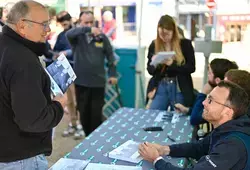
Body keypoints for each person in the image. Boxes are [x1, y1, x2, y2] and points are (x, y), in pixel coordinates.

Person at [0, 1, 67, 169]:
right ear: (22, 25)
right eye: (44, 24)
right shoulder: (23, 60)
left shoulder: (7, 47)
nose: (48, 30)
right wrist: (58, 106)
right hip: (21, 158)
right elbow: (33, 121)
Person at [139, 81, 250, 170]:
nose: (203, 103)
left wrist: (156, 160)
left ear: (228, 112)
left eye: (210, 100)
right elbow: (199, 147)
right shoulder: (227, 128)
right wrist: (165, 149)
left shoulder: (233, 145)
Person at [66, 11, 117, 136]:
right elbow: (68, 33)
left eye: (91, 22)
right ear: (80, 23)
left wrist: (112, 74)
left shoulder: (102, 37)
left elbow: (111, 57)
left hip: (98, 83)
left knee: (95, 116)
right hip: (81, 83)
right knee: (83, 114)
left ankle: (94, 141)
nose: (90, 25)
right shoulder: (77, 37)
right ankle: (88, 139)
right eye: (86, 22)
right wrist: (87, 29)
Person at [147, 14, 196, 111]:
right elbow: (150, 70)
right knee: (154, 113)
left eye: (167, 34)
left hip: (179, 86)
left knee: (179, 115)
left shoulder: (185, 44)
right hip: (161, 84)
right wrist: (155, 63)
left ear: (174, 31)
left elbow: (191, 67)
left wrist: (172, 65)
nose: (164, 37)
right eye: (161, 34)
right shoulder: (154, 44)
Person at [175, 58, 238, 125]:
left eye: (210, 73)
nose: (208, 76)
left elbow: (194, 119)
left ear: (217, 80)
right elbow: (201, 114)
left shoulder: (221, 101)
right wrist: (187, 110)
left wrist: (203, 93)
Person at [53, 11, 84, 139]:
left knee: (78, 100)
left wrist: (66, 53)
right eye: (63, 25)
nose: (65, 27)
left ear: (70, 21)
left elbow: (80, 49)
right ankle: (73, 123)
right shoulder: (61, 35)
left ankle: (81, 125)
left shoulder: (78, 33)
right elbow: (55, 50)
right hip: (64, 70)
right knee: (70, 101)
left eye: (66, 24)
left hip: (77, 69)